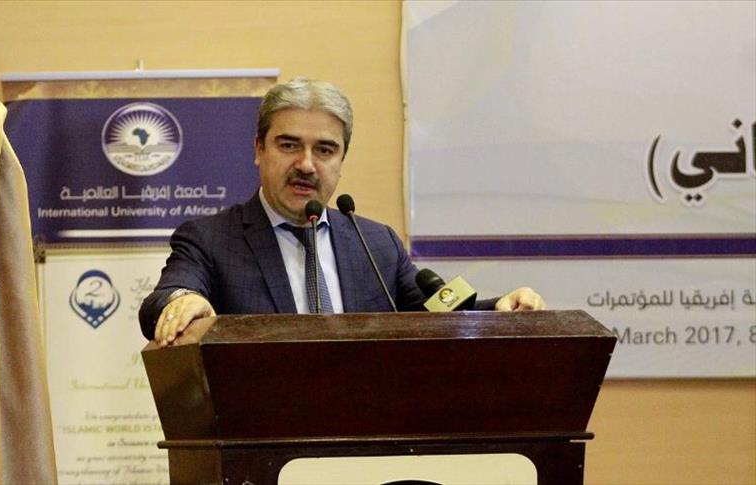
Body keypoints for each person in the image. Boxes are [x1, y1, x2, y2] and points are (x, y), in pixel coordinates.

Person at [139, 78, 545, 346]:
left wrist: (498, 310)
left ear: (341, 160)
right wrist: (184, 300)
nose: (306, 164)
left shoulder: (375, 243)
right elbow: (162, 300)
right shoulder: (211, 240)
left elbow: (435, 316)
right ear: (258, 149)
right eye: (289, 145)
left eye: (325, 150)